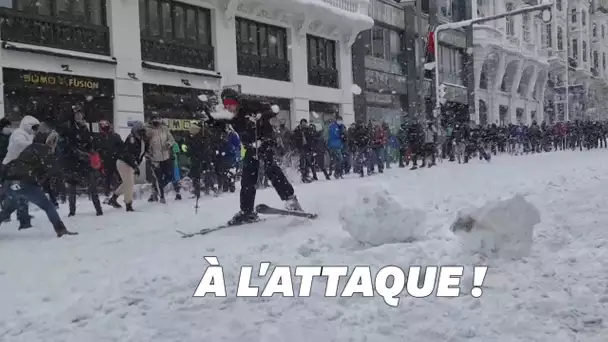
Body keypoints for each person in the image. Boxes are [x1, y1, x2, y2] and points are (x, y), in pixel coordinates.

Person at [206, 88, 302, 224]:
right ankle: (247, 211)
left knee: (271, 170)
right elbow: (218, 125)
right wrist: (209, 119)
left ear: (237, 102)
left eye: (231, 103)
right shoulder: (228, 115)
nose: (228, 106)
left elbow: (274, 109)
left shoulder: (249, 105)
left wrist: (260, 115)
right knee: (247, 178)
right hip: (250, 147)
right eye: (226, 103)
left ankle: (291, 200)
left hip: (265, 141)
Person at [0, 131, 77, 237]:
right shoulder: (45, 151)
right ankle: (61, 229)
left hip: (10, 182)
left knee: (9, 208)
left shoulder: (29, 148)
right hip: (25, 182)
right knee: (48, 206)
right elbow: (54, 170)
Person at [57, 105, 103, 217]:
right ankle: (72, 211)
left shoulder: (84, 127)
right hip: (71, 162)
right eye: (77, 114)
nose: (79, 116)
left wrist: (91, 150)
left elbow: (87, 143)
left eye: (81, 113)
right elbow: (64, 145)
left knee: (92, 185)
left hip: (84, 161)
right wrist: (77, 152)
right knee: (72, 187)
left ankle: (99, 210)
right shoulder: (67, 127)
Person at [2, 115, 40, 229]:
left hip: (19, 168)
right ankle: (12, 217)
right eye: (34, 127)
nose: (35, 130)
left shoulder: (28, 135)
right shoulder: (18, 133)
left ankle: (23, 221)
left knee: (20, 195)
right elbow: (20, 143)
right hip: (10, 168)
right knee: (12, 196)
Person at [107, 121, 147, 211]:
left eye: (143, 131)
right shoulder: (131, 139)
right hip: (124, 162)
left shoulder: (141, 140)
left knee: (127, 183)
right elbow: (128, 155)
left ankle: (113, 199)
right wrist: (135, 166)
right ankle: (128, 204)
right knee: (129, 184)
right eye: (140, 131)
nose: (142, 133)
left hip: (130, 163)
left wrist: (136, 164)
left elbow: (141, 153)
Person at [145, 114, 181, 203]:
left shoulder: (164, 128)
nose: (157, 121)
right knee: (158, 178)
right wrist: (148, 153)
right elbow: (144, 143)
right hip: (154, 158)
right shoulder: (147, 130)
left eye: (158, 119)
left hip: (166, 156)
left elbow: (171, 139)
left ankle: (155, 191)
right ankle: (161, 197)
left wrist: (169, 143)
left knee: (169, 176)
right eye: (155, 120)